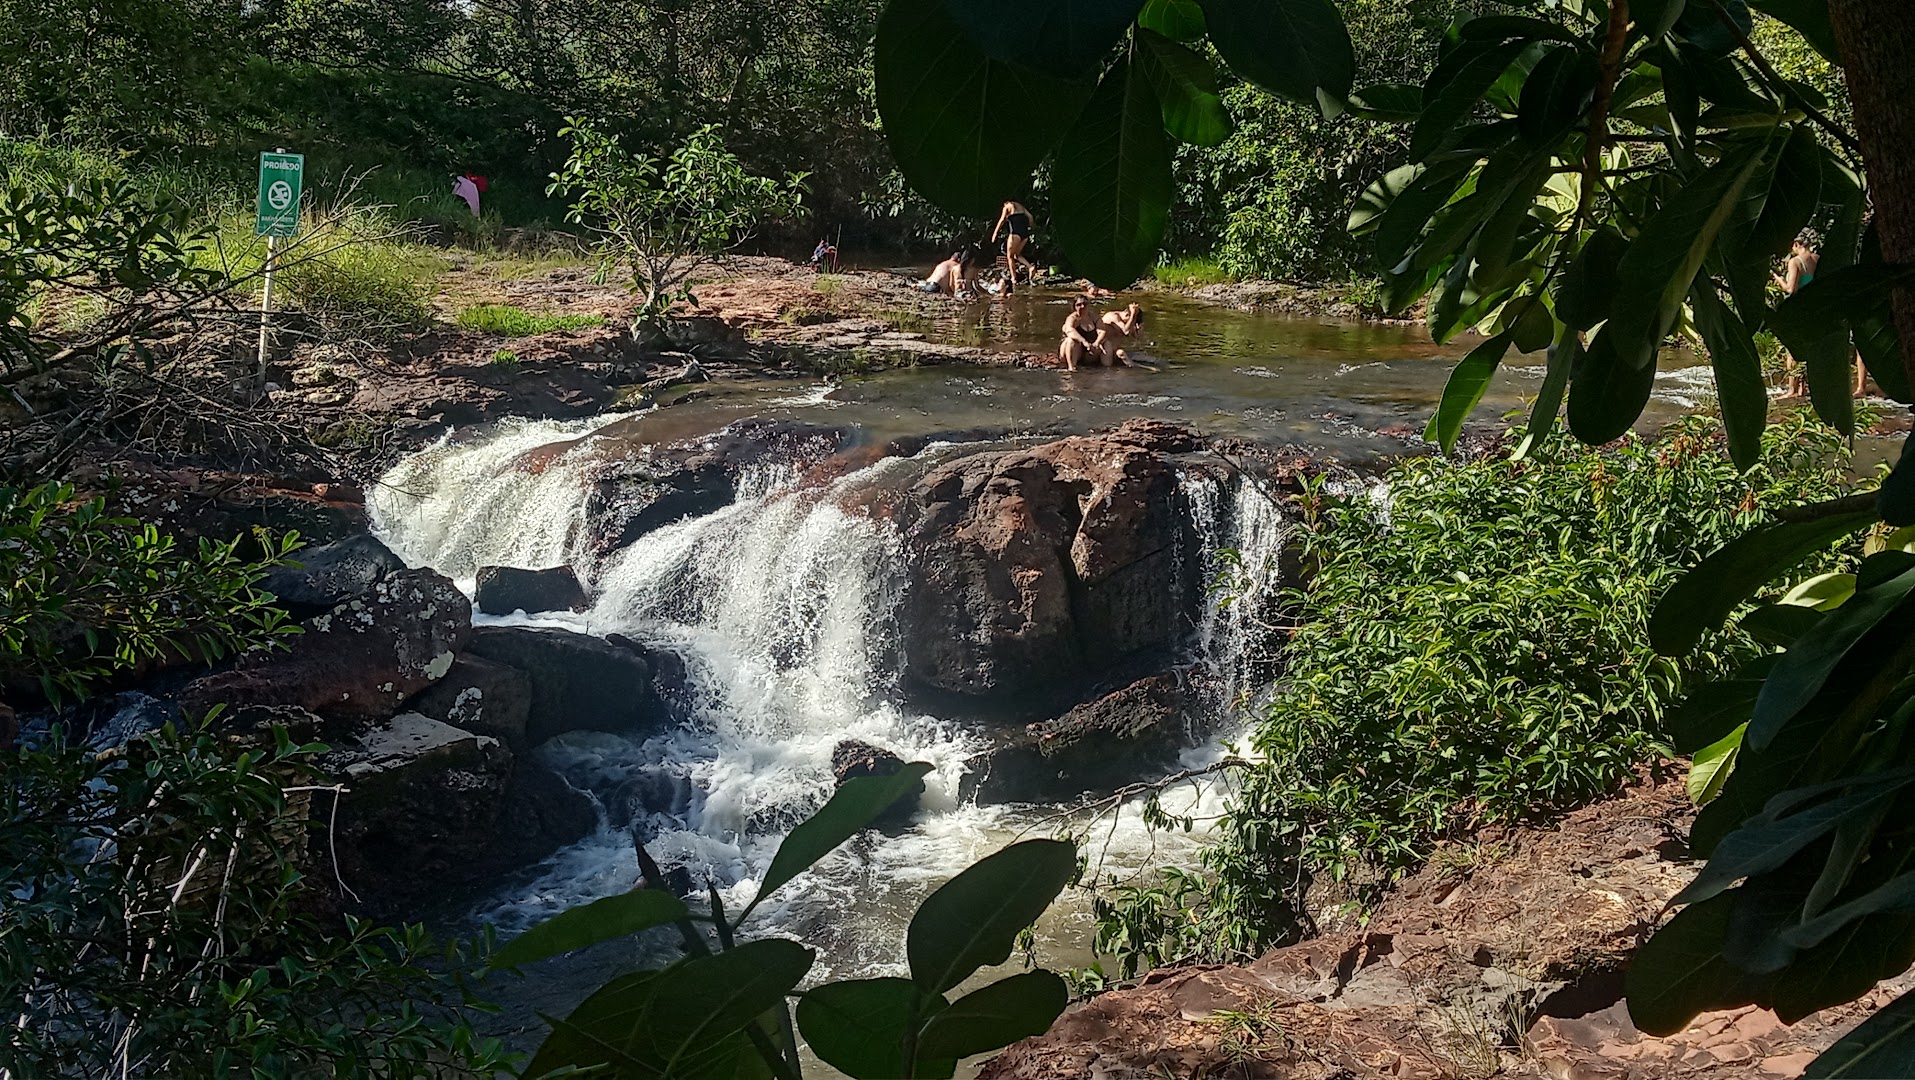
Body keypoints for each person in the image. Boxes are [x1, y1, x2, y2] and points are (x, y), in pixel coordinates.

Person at [1773, 231, 1820, 398]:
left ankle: (1792, 389)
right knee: (1809, 347)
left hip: (1798, 308)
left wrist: (1778, 278)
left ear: (1796, 244)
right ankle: (1804, 387)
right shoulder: (1818, 259)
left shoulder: (1796, 262)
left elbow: (1790, 289)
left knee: (1792, 349)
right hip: (1815, 307)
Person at [990, 200, 1034, 294]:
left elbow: (1002, 220)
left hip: (1015, 234)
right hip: (1025, 234)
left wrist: (995, 233)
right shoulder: (1021, 206)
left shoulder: (1007, 206)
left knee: (1009, 256)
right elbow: (1030, 216)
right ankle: (1030, 267)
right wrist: (1029, 227)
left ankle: (1014, 279)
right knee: (1016, 255)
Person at [1059, 295, 1106, 371]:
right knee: (1070, 341)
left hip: (1088, 350)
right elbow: (1069, 330)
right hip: (1072, 350)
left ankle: (1107, 369)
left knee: (1107, 343)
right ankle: (1071, 368)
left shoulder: (1095, 318)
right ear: (1074, 307)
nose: (1082, 306)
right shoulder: (1072, 318)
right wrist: (1084, 341)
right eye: (1079, 305)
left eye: (1085, 304)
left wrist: (1097, 342)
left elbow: (1102, 331)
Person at [1098, 302, 1144, 366]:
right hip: (1104, 348)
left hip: (1115, 350)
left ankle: (1135, 367)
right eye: (1131, 320)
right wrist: (1133, 314)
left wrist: (1139, 330)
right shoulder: (1113, 316)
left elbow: (1136, 337)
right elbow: (1126, 331)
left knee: (1121, 353)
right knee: (1114, 351)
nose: (1131, 323)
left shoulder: (1126, 323)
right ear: (1126, 314)